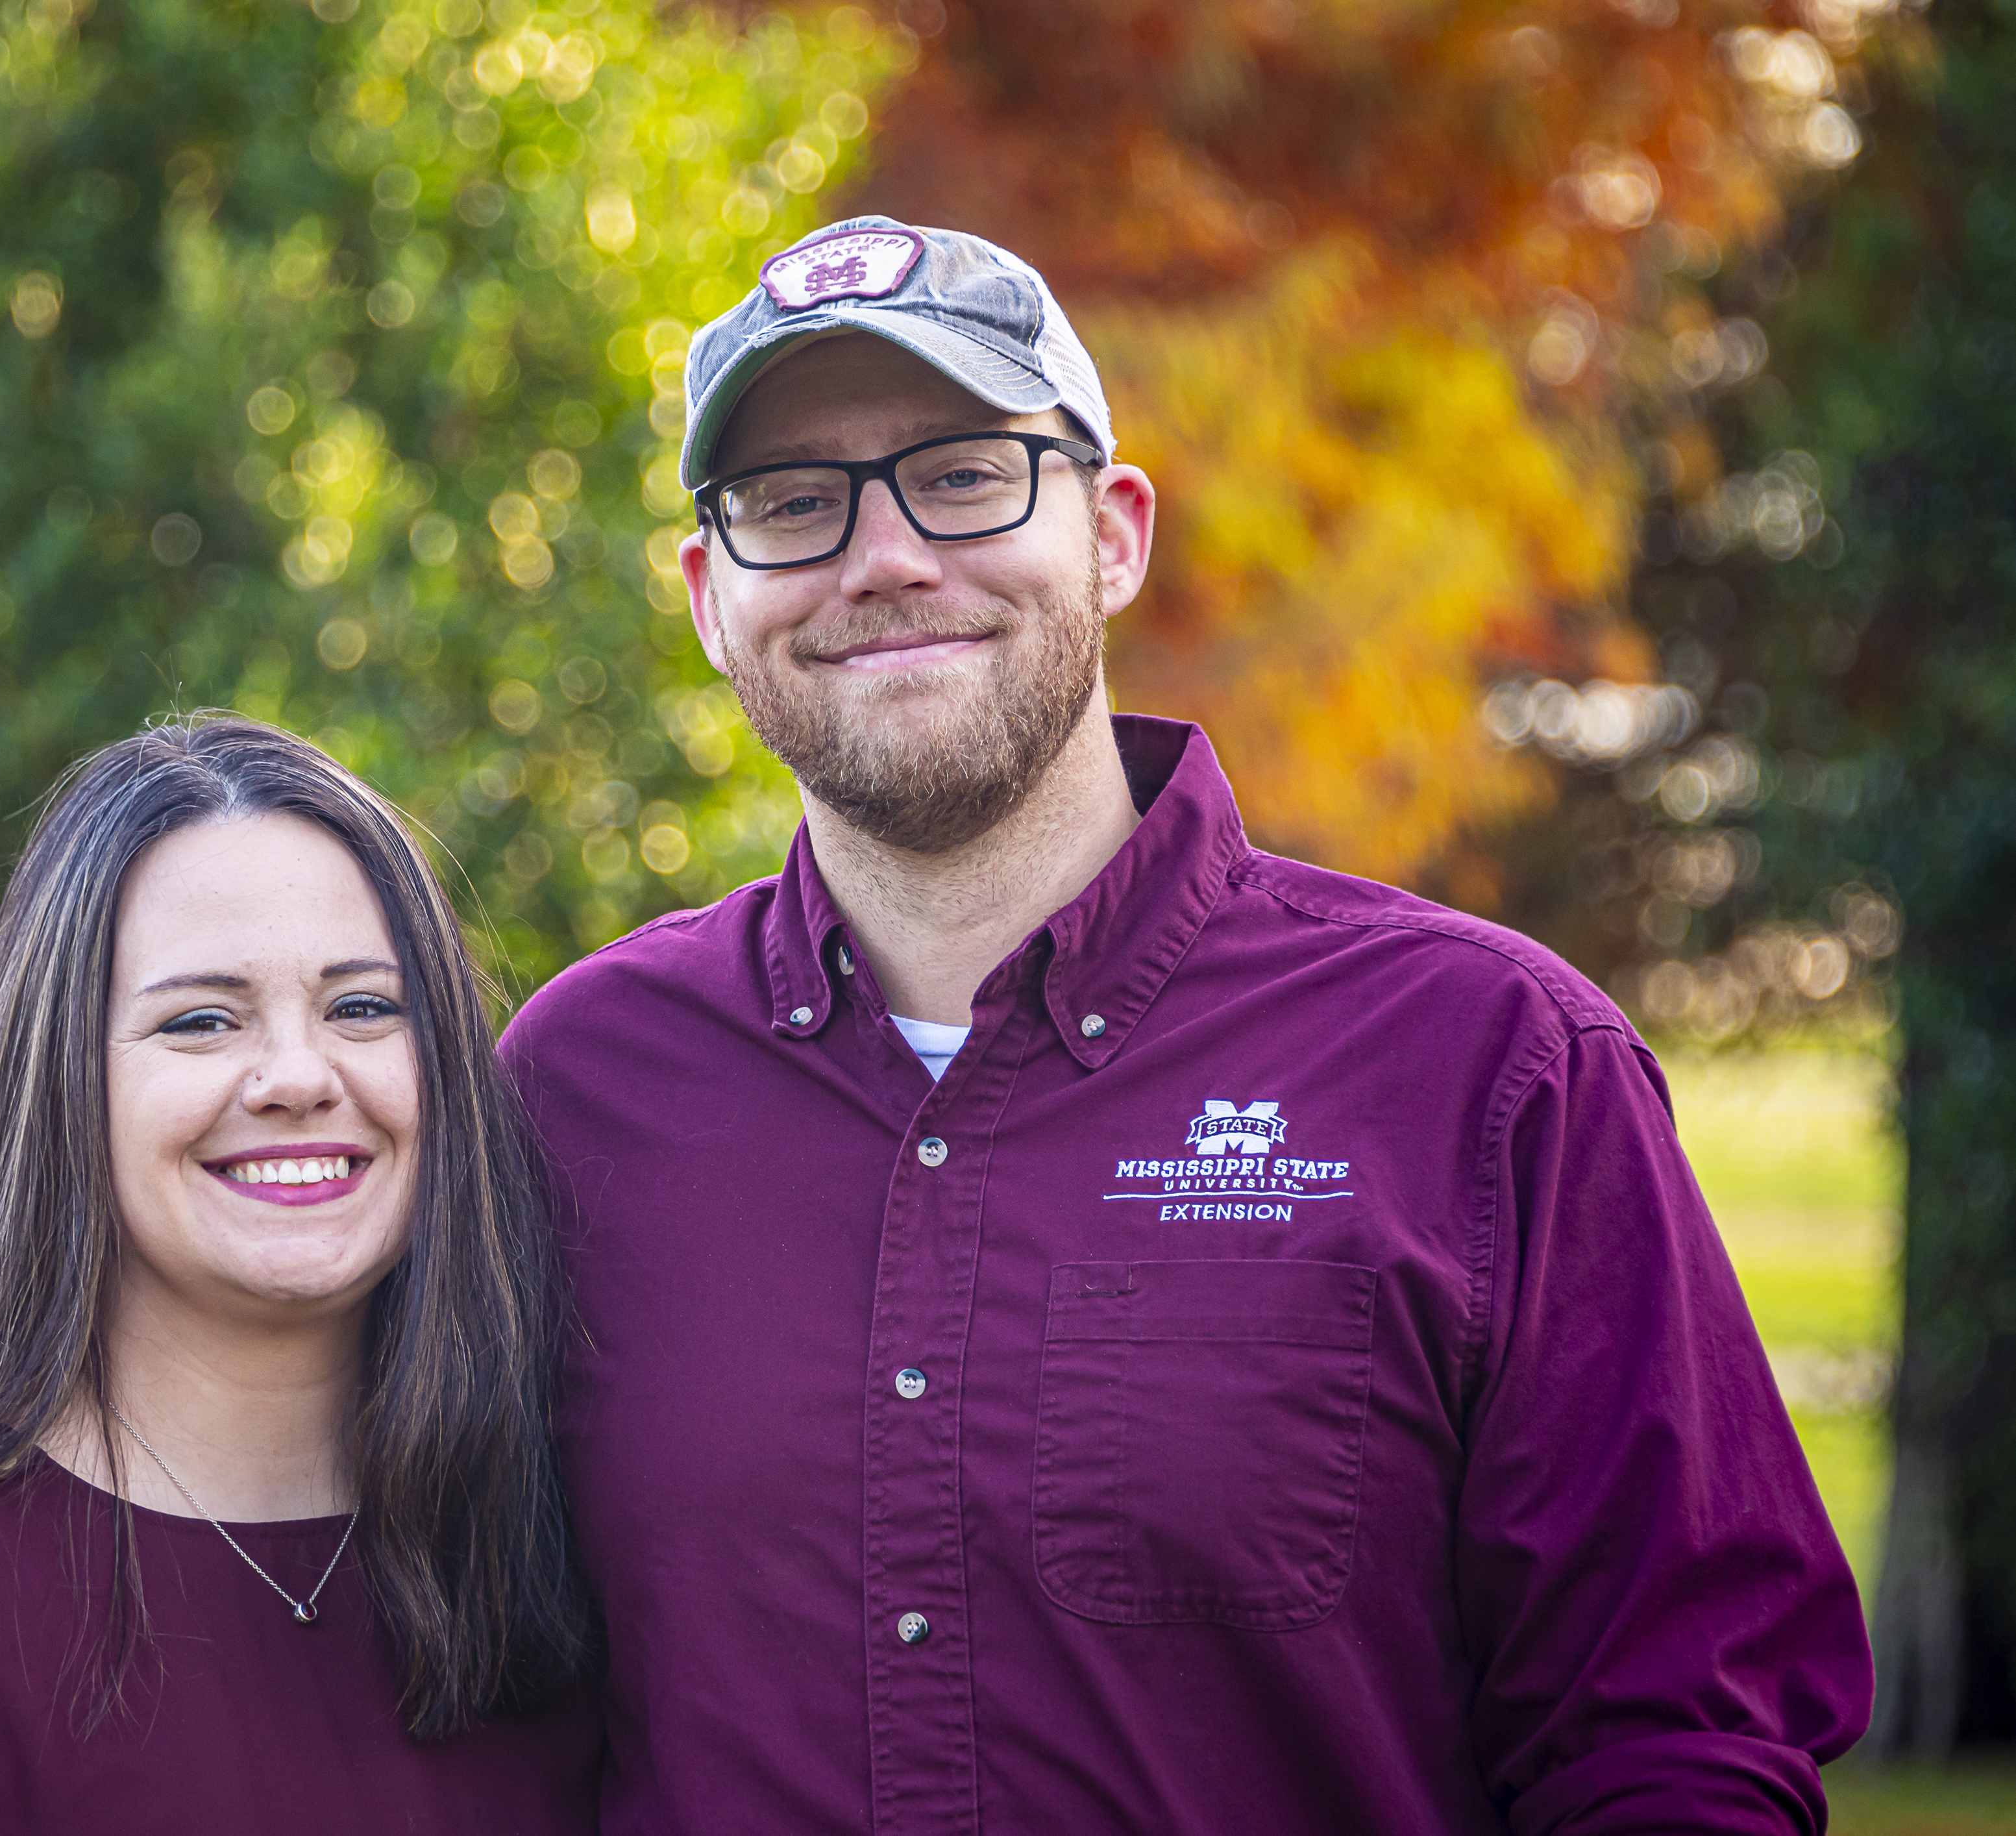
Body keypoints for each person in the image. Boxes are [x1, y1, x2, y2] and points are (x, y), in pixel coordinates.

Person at [498, 216, 1872, 1833]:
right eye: (793, 505)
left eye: (961, 473)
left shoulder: (1490, 1068)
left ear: (1115, 534)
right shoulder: (575, 1090)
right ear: (709, 597)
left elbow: (1676, 1738)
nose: (882, 559)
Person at [0, 717, 598, 1832]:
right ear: (58, 1084)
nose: (298, 1074)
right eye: (200, 1020)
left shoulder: (555, 1570)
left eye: (363, 1007)